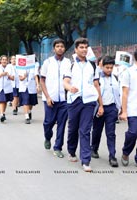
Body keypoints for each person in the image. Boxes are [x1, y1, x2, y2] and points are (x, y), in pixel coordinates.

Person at [63, 37, 103, 172]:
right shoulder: (70, 64)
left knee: (85, 130)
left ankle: (86, 160)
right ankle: (71, 150)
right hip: (74, 100)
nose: (84, 49)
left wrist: (101, 104)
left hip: (89, 101)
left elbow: (96, 85)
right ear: (76, 49)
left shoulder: (93, 65)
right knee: (73, 128)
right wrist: (69, 88)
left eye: (86, 47)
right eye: (81, 47)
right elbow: (65, 81)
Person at [40, 38, 71, 158]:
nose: (60, 48)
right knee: (48, 123)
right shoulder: (47, 62)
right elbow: (42, 80)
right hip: (50, 98)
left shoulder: (68, 62)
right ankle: (47, 137)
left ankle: (58, 147)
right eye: (57, 46)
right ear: (54, 49)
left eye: (62, 46)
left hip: (64, 99)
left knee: (62, 124)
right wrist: (47, 97)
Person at [91, 56, 121, 167]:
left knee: (111, 133)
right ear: (102, 66)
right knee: (97, 130)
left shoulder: (116, 78)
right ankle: (94, 148)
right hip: (99, 108)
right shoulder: (97, 78)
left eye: (111, 68)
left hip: (112, 109)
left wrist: (120, 108)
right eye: (107, 67)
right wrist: (99, 106)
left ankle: (112, 156)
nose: (109, 70)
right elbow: (95, 93)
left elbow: (119, 94)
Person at [18, 57, 40, 124]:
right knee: (26, 101)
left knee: (31, 102)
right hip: (24, 86)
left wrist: (37, 85)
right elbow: (20, 78)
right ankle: (26, 116)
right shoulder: (21, 67)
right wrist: (24, 77)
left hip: (32, 86)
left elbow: (36, 76)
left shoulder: (34, 66)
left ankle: (29, 111)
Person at [0, 55, 14, 123]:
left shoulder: (10, 67)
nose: (4, 61)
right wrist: (1, 75)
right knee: (2, 101)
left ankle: (3, 113)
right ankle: (1, 115)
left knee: (5, 101)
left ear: (7, 61)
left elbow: (13, 78)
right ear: (0, 61)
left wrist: (8, 75)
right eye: (3, 60)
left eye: (5, 60)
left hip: (7, 87)